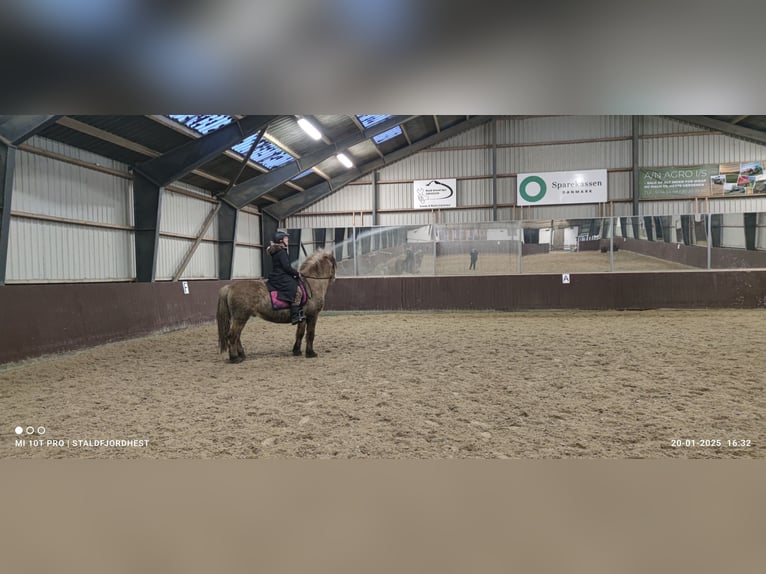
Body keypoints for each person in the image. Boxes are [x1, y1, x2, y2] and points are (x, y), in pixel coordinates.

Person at [267, 229, 305, 324]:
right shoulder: (281, 252)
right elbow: (287, 267)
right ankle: (295, 316)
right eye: (285, 238)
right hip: (280, 276)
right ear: (281, 240)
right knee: (298, 291)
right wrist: (296, 273)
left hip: (278, 275)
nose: (287, 239)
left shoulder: (278, 251)